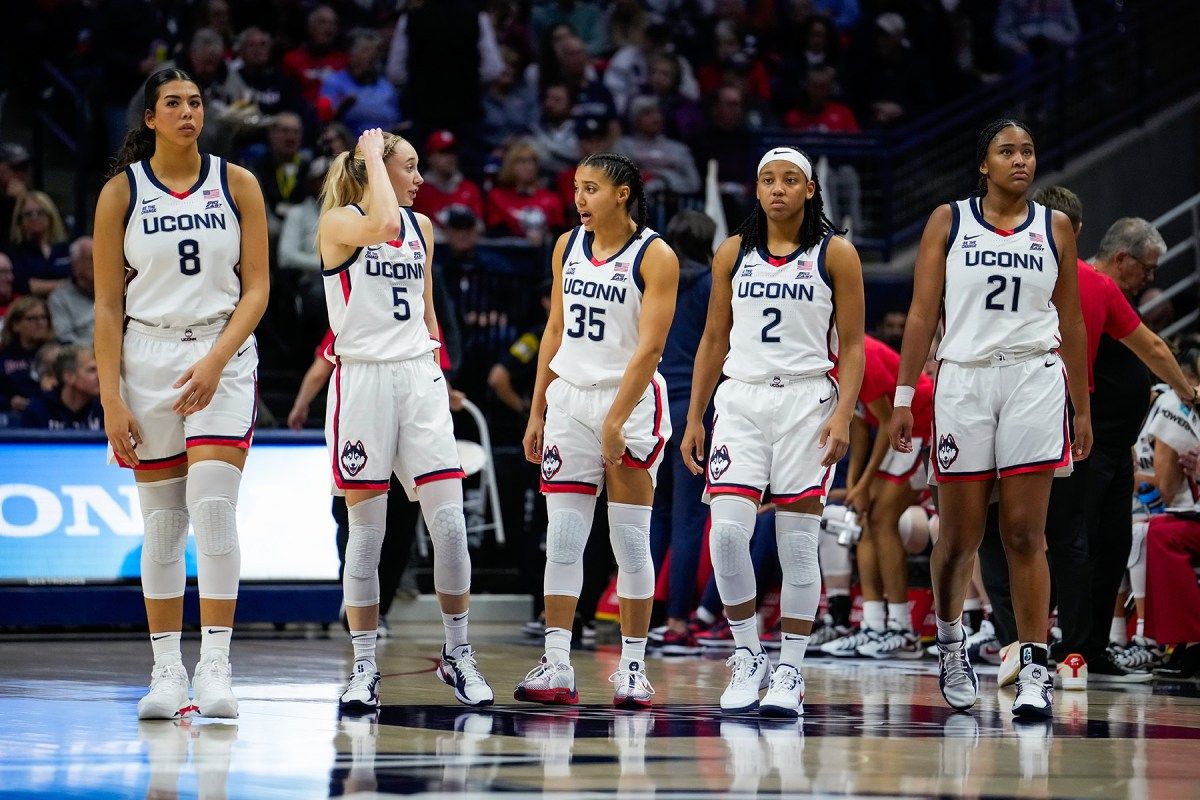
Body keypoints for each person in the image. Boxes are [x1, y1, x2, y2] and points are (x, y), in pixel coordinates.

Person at [890, 119, 1091, 720]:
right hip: (963, 380)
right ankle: (950, 642)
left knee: (1027, 533)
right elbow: (923, 313)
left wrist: (1082, 406)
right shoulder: (949, 221)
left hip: (1033, 376)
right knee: (958, 538)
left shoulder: (1054, 227)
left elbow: (1073, 322)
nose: (1021, 161)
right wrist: (905, 396)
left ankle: (1034, 667)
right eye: (1007, 151)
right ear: (984, 163)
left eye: (1028, 151)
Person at [93, 68, 270, 720]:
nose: (188, 112)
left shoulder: (237, 183)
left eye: (196, 102)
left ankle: (216, 665)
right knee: (163, 526)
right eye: (174, 103)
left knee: (213, 508)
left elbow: (257, 289)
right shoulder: (121, 193)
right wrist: (111, 399)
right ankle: (167, 672)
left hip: (221, 351)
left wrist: (215, 362)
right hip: (147, 357)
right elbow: (107, 308)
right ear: (150, 118)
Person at [682, 146, 866, 717]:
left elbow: (855, 345)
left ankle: (791, 668)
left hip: (808, 401)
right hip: (741, 399)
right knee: (728, 535)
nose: (779, 189)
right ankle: (746, 655)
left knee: (796, 543)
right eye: (768, 180)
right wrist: (695, 415)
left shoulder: (837, 253)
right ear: (756, 190)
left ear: (810, 190)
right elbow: (714, 339)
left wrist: (842, 416)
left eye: (791, 180)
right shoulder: (733, 252)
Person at [316, 127, 492, 712]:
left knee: (448, 525)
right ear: (376, 170)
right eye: (409, 168)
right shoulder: (341, 222)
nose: (421, 179)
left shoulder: (424, 230)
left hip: (417, 377)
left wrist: (438, 378)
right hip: (362, 380)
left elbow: (428, 314)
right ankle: (364, 665)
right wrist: (367, 153)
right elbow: (381, 225)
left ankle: (458, 654)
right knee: (368, 534)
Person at [514, 152, 679, 709]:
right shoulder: (566, 246)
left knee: (628, 538)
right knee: (562, 537)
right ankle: (556, 663)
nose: (579, 199)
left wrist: (615, 420)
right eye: (577, 189)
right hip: (569, 399)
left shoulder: (655, 254)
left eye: (591, 189)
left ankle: (633, 667)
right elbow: (554, 329)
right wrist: (537, 410)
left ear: (623, 193)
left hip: (627, 403)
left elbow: (651, 348)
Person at [822, 334, 934, 659]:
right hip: (892, 433)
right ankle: (873, 625)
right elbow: (858, 428)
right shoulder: (827, 359)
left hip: (919, 426)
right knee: (867, 516)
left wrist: (865, 484)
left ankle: (903, 631)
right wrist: (857, 485)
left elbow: (887, 422)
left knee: (883, 519)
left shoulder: (856, 354)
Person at [649, 210, 716, 654]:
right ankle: (676, 621)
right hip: (696, 410)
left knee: (654, 516)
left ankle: (643, 615)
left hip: (653, 408)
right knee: (689, 518)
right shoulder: (713, 285)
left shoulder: (655, 279)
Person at [319, 29, 401, 137]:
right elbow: (324, 120)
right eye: (366, 50)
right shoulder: (334, 82)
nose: (372, 55)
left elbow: (397, 120)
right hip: (347, 145)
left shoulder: (387, 87)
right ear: (351, 54)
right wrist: (341, 110)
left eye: (375, 51)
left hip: (384, 145)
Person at [485, 139, 565, 245]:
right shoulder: (497, 197)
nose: (529, 167)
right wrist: (525, 237)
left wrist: (544, 237)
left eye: (533, 162)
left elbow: (559, 234)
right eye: (522, 162)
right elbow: (496, 233)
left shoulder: (551, 199)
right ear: (511, 165)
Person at [413, 131, 485, 230]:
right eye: (444, 152)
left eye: (453, 152)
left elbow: (479, 227)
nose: (450, 157)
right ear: (430, 157)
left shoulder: (470, 188)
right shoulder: (417, 190)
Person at [20, 345, 103, 431]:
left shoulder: (104, 408)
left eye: (100, 369)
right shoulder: (38, 409)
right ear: (69, 377)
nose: (100, 376)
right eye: (92, 370)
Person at [0, 296, 54, 422]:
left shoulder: (57, 354)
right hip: (10, 415)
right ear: (15, 325)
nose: (41, 323)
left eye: (44, 317)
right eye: (32, 319)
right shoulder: (4, 356)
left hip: (49, 415)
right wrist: (10, 401)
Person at [9, 190, 71, 297]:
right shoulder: (15, 250)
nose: (34, 218)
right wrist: (67, 285)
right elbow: (26, 286)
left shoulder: (65, 248)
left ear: (50, 216)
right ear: (20, 221)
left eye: (40, 212)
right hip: (31, 307)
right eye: (28, 214)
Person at [48, 237, 96, 346]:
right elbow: (65, 339)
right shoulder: (59, 299)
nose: (100, 263)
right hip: (83, 357)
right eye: (92, 258)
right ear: (76, 265)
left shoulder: (117, 292)